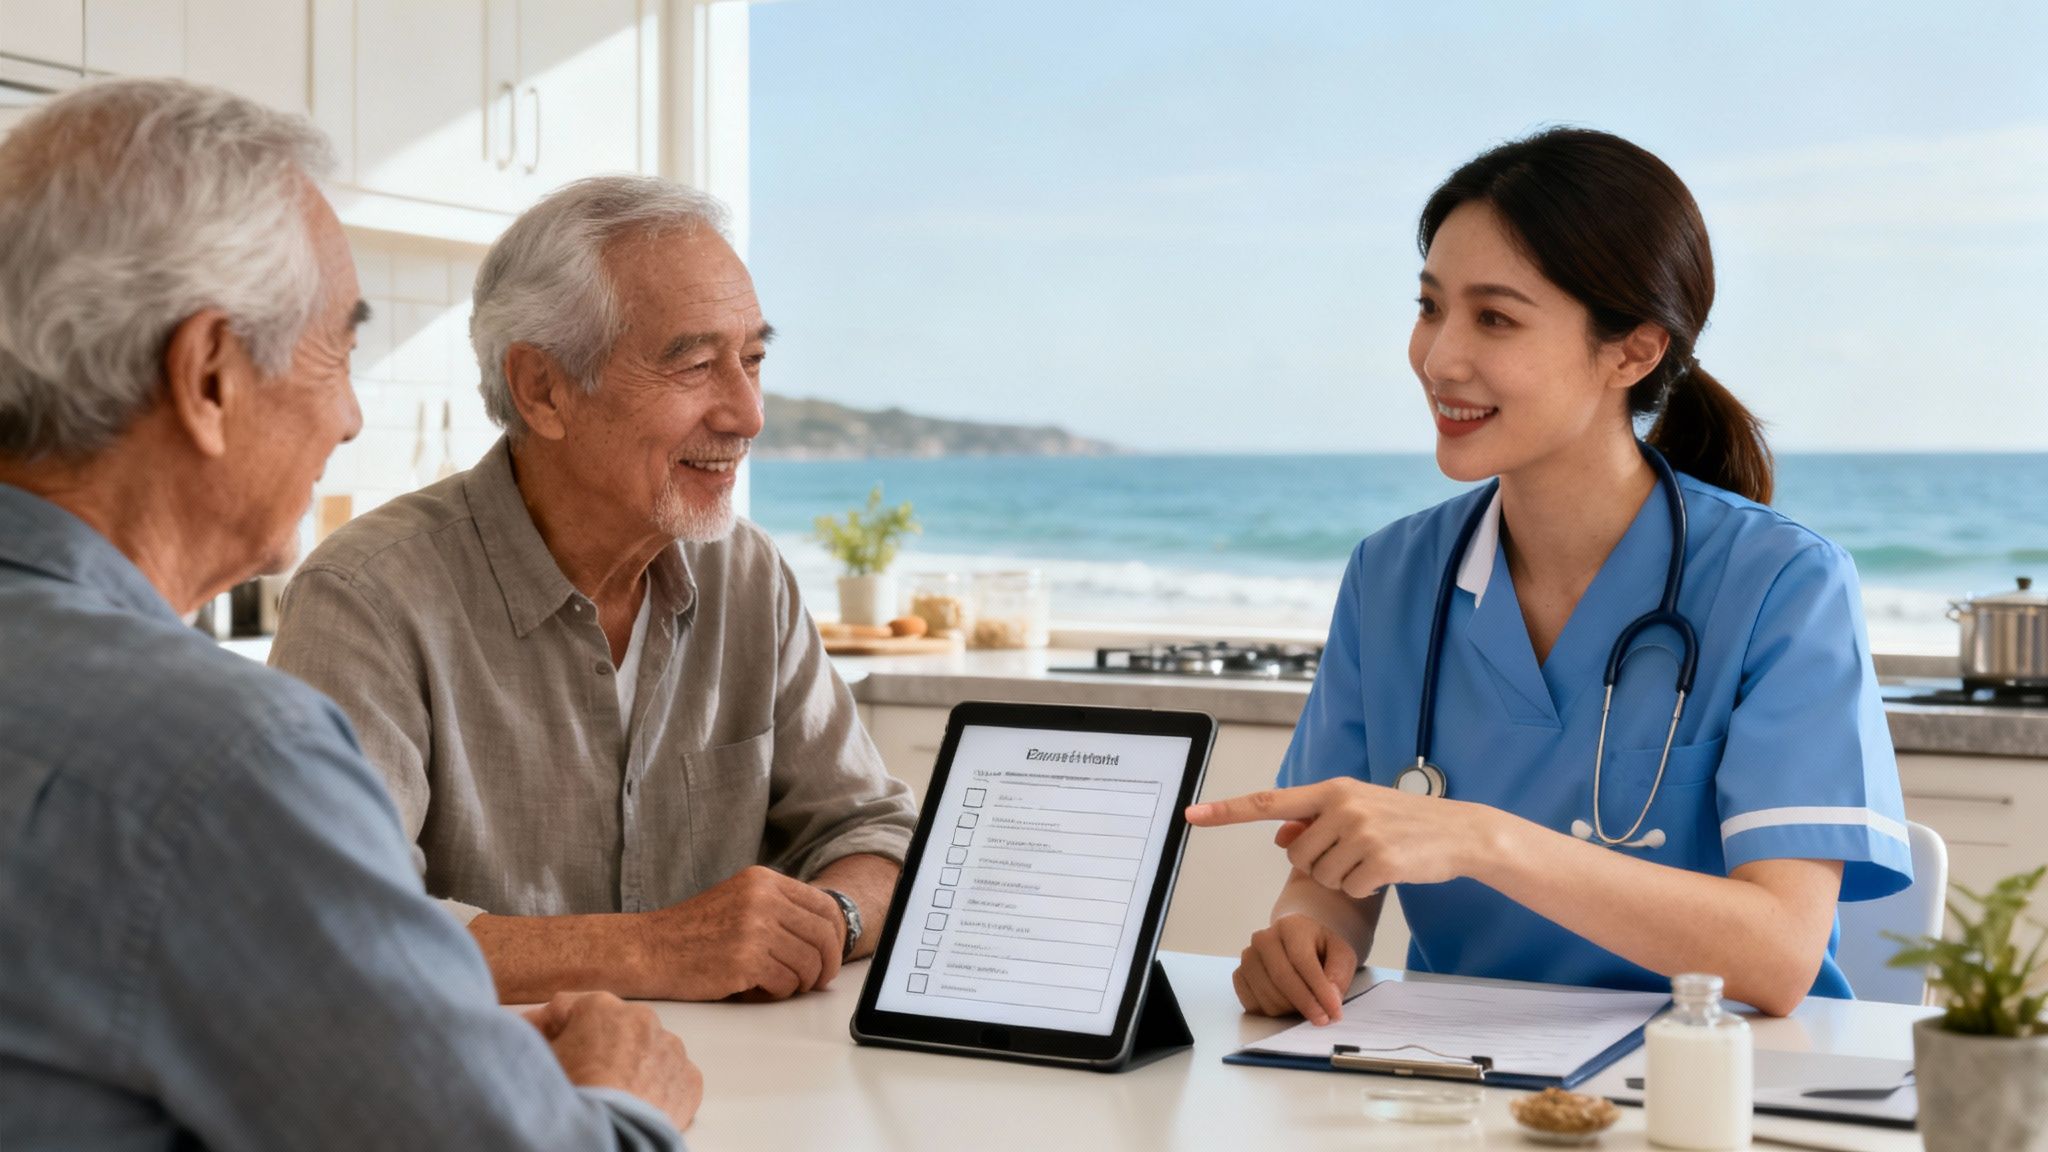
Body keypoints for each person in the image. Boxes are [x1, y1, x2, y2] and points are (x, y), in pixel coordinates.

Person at [0, 79, 700, 1150]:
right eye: (337, 344)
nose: (349, 414)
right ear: (209, 375)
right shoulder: (225, 759)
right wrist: (623, 1097)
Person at [1187, 128, 1911, 1022]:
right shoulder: (1393, 575)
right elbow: (1335, 873)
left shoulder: (1781, 584)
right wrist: (1306, 936)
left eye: (1495, 317)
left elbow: (1778, 954)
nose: (1440, 357)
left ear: (1633, 352)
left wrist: (1483, 840)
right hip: (1456, 1079)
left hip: (1717, 1081)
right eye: (1430, 307)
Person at [268, 175, 918, 1006]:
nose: (748, 413)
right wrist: (655, 949)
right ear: (542, 389)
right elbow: (336, 929)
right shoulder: (367, 596)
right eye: (695, 365)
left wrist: (830, 919)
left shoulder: (748, 576)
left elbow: (874, 831)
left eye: (752, 361)